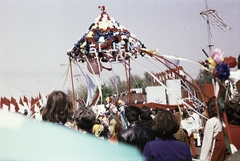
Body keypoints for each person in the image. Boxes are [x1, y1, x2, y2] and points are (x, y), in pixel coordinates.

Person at [200, 96, 223, 161]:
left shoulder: (211, 122)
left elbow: (207, 143)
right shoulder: (224, 121)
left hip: (215, 155)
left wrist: (203, 159)